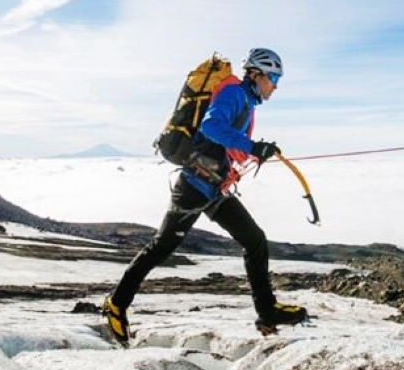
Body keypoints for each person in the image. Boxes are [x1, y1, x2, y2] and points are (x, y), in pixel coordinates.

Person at [102, 48, 307, 345]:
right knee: (160, 248)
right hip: (194, 187)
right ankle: (115, 305)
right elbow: (212, 127)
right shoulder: (235, 93)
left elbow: (225, 141)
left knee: (254, 240)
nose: (275, 84)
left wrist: (256, 149)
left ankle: (267, 311)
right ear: (257, 74)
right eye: (273, 77)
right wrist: (252, 147)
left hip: (213, 187)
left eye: (277, 78)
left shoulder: (245, 100)